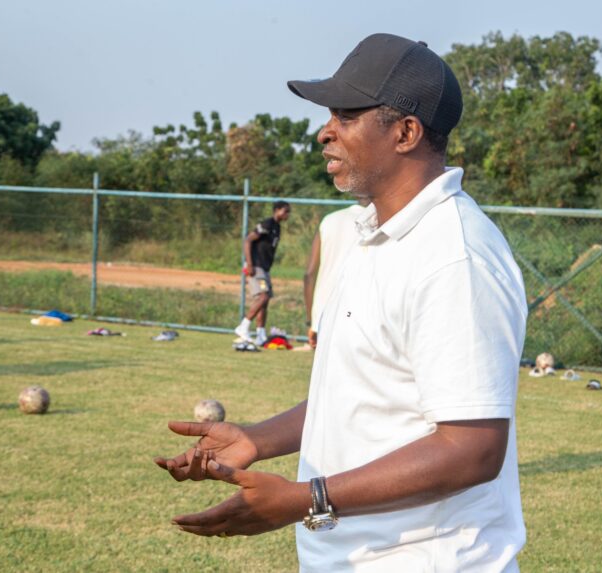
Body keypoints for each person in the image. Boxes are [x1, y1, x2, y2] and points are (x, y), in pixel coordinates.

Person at [156, 33, 528, 572]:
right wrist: (255, 440)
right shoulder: (373, 234)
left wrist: (307, 498)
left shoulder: (454, 256)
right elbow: (359, 393)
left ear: (405, 132)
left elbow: (472, 450)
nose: (324, 132)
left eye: (347, 115)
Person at [302, 200, 368, 348]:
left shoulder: (329, 219)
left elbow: (309, 275)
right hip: (356, 313)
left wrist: (311, 320)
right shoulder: (377, 220)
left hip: (323, 311)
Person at [234, 200, 291, 346]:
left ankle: (260, 334)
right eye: (286, 211)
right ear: (277, 210)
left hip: (265, 268)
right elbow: (248, 240)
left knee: (265, 301)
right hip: (257, 266)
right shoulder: (267, 224)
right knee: (263, 296)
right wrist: (250, 264)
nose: (287, 214)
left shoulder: (277, 227)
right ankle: (243, 326)